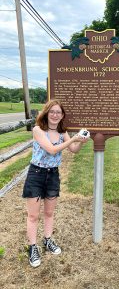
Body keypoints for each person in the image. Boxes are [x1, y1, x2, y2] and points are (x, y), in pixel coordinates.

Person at [22, 99, 89, 268]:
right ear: (46, 113)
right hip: (36, 174)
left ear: (62, 115)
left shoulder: (62, 132)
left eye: (58, 112)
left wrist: (80, 143)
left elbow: (72, 151)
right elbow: (52, 150)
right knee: (33, 215)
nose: (55, 115)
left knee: (49, 213)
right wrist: (72, 139)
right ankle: (32, 247)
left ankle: (48, 240)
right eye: (52, 111)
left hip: (53, 175)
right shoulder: (38, 130)